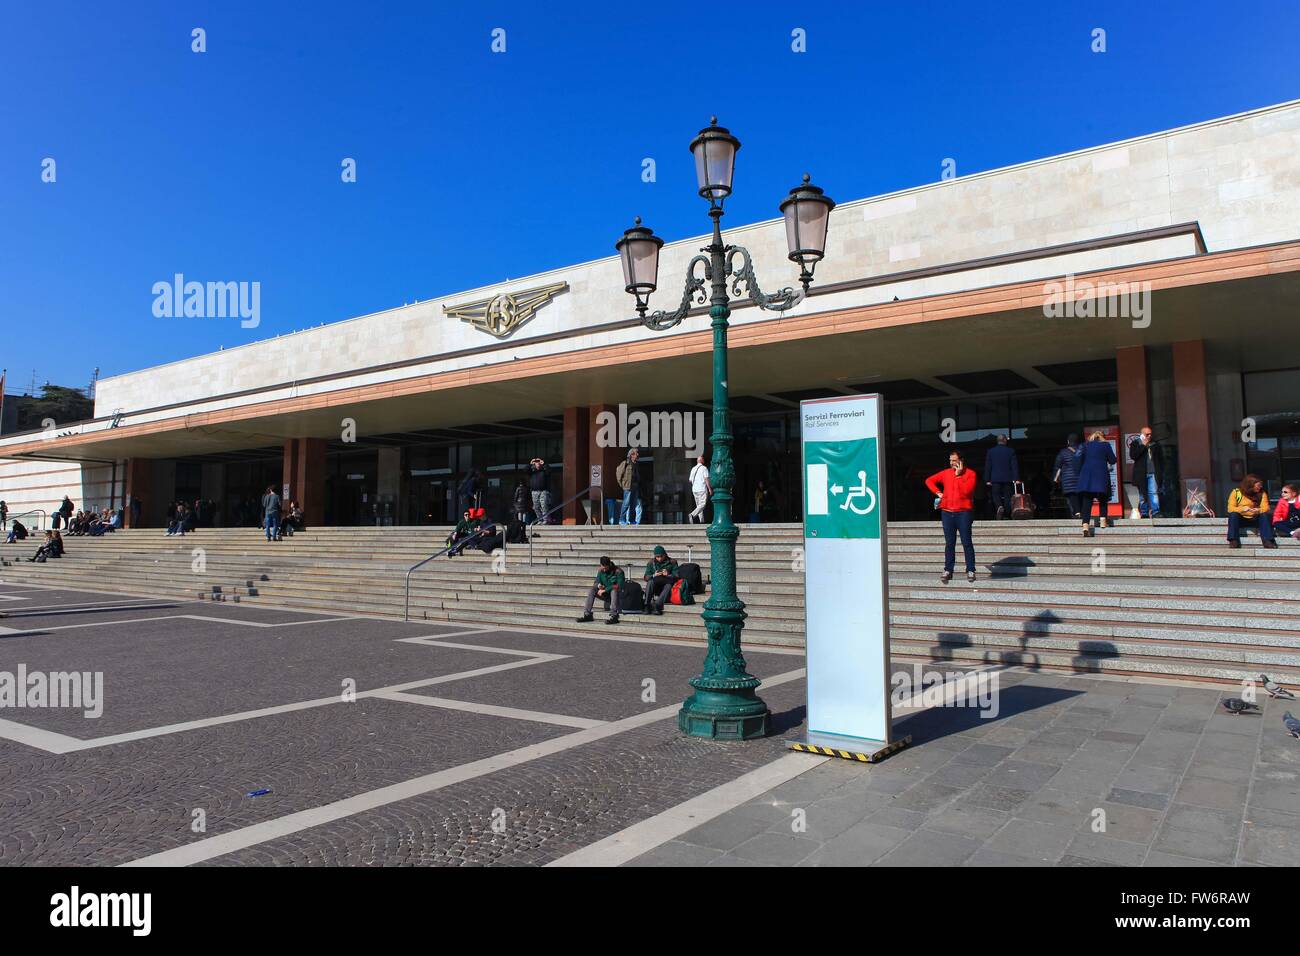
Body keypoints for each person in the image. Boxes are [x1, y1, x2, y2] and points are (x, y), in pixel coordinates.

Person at [925, 450, 978, 584]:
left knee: (966, 542)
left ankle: (971, 569)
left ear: (961, 460)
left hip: (963, 512)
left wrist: (959, 476)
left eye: (954, 460)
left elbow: (966, 492)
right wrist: (939, 493)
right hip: (947, 512)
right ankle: (948, 569)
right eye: (950, 460)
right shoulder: (945, 473)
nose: (951, 463)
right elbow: (929, 481)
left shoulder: (971, 474)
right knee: (949, 543)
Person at [1076, 431, 1116, 537]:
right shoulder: (1106, 445)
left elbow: (1077, 458)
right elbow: (1113, 460)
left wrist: (1080, 471)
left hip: (1087, 476)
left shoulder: (1085, 445)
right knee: (1103, 498)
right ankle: (1103, 522)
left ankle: (1085, 526)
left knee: (1087, 502)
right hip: (1101, 475)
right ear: (1102, 437)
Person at [1227, 474, 1277, 549]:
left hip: (1255, 518)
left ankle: (1268, 541)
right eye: (1258, 485)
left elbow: (1266, 508)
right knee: (1233, 514)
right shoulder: (1236, 492)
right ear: (1250, 485)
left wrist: (1258, 510)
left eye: (1261, 485)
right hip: (1242, 519)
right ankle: (1233, 540)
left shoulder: (1262, 493)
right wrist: (1242, 509)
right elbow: (1230, 508)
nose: (1260, 487)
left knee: (1264, 515)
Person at [1128, 426, 1165, 518]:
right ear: (1142, 434)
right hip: (1141, 473)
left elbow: (1160, 458)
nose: (1149, 436)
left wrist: (1160, 470)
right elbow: (1133, 456)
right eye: (1147, 434)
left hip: (1153, 472)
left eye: (1150, 434)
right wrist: (1143, 446)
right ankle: (1144, 512)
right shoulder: (1136, 443)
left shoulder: (1154, 444)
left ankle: (1156, 511)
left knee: (1153, 492)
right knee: (1142, 493)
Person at [576, 555, 624, 625]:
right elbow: (596, 582)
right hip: (606, 595)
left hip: (618, 596)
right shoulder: (601, 570)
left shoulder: (618, 571)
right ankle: (587, 614)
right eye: (602, 568)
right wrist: (599, 585)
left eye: (606, 568)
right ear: (600, 565)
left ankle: (614, 615)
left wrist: (605, 590)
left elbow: (619, 585)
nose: (604, 570)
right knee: (592, 590)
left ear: (609, 565)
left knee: (614, 590)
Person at [984, 434, 1019, 519]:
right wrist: (1016, 479)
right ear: (1005, 440)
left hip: (995, 478)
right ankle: (1006, 513)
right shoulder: (1011, 451)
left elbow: (988, 466)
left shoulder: (991, 451)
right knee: (1008, 496)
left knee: (995, 494)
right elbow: (1014, 466)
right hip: (1008, 478)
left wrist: (987, 479)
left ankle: (999, 506)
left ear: (997, 441)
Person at [1052, 434, 1083, 519]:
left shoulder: (1063, 452)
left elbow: (1057, 467)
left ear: (1068, 442)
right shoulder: (1083, 451)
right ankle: (1080, 512)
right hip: (1081, 478)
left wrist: (1055, 479)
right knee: (1081, 496)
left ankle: (1076, 512)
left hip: (1068, 480)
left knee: (1072, 497)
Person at [642, 545, 679, 615]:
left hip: (667, 587)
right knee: (650, 582)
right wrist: (653, 575)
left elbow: (677, 576)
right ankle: (647, 605)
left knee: (668, 585)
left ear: (665, 554)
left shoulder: (672, 562)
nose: (659, 558)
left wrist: (668, 574)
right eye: (657, 557)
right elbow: (645, 577)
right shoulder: (651, 563)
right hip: (656, 585)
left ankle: (657, 606)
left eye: (661, 556)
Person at [616, 449, 641, 525]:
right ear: (631, 455)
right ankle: (621, 520)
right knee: (626, 503)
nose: (637, 455)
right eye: (636, 453)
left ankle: (631, 520)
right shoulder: (625, 463)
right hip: (627, 486)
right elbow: (618, 474)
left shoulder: (636, 464)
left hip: (635, 486)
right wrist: (622, 485)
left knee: (633, 504)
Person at [527, 457, 552, 524]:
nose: (537, 463)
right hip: (534, 491)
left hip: (543, 491)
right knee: (536, 507)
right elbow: (525, 470)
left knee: (544, 505)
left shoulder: (544, 471)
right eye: (536, 462)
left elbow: (549, 471)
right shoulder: (532, 472)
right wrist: (530, 464)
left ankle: (546, 519)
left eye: (539, 462)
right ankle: (540, 519)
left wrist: (544, 464)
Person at [688, 456, 711, 524]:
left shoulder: (693, 468)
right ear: (702, 460)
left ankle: (702, 521)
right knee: (702, 504)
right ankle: (692, 515)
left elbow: (690, 480)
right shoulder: (704, 468)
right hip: (702, 489)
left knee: (699, 505)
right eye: (703, 459)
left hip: (695, 489)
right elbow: (706, 479)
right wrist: (709, 488)